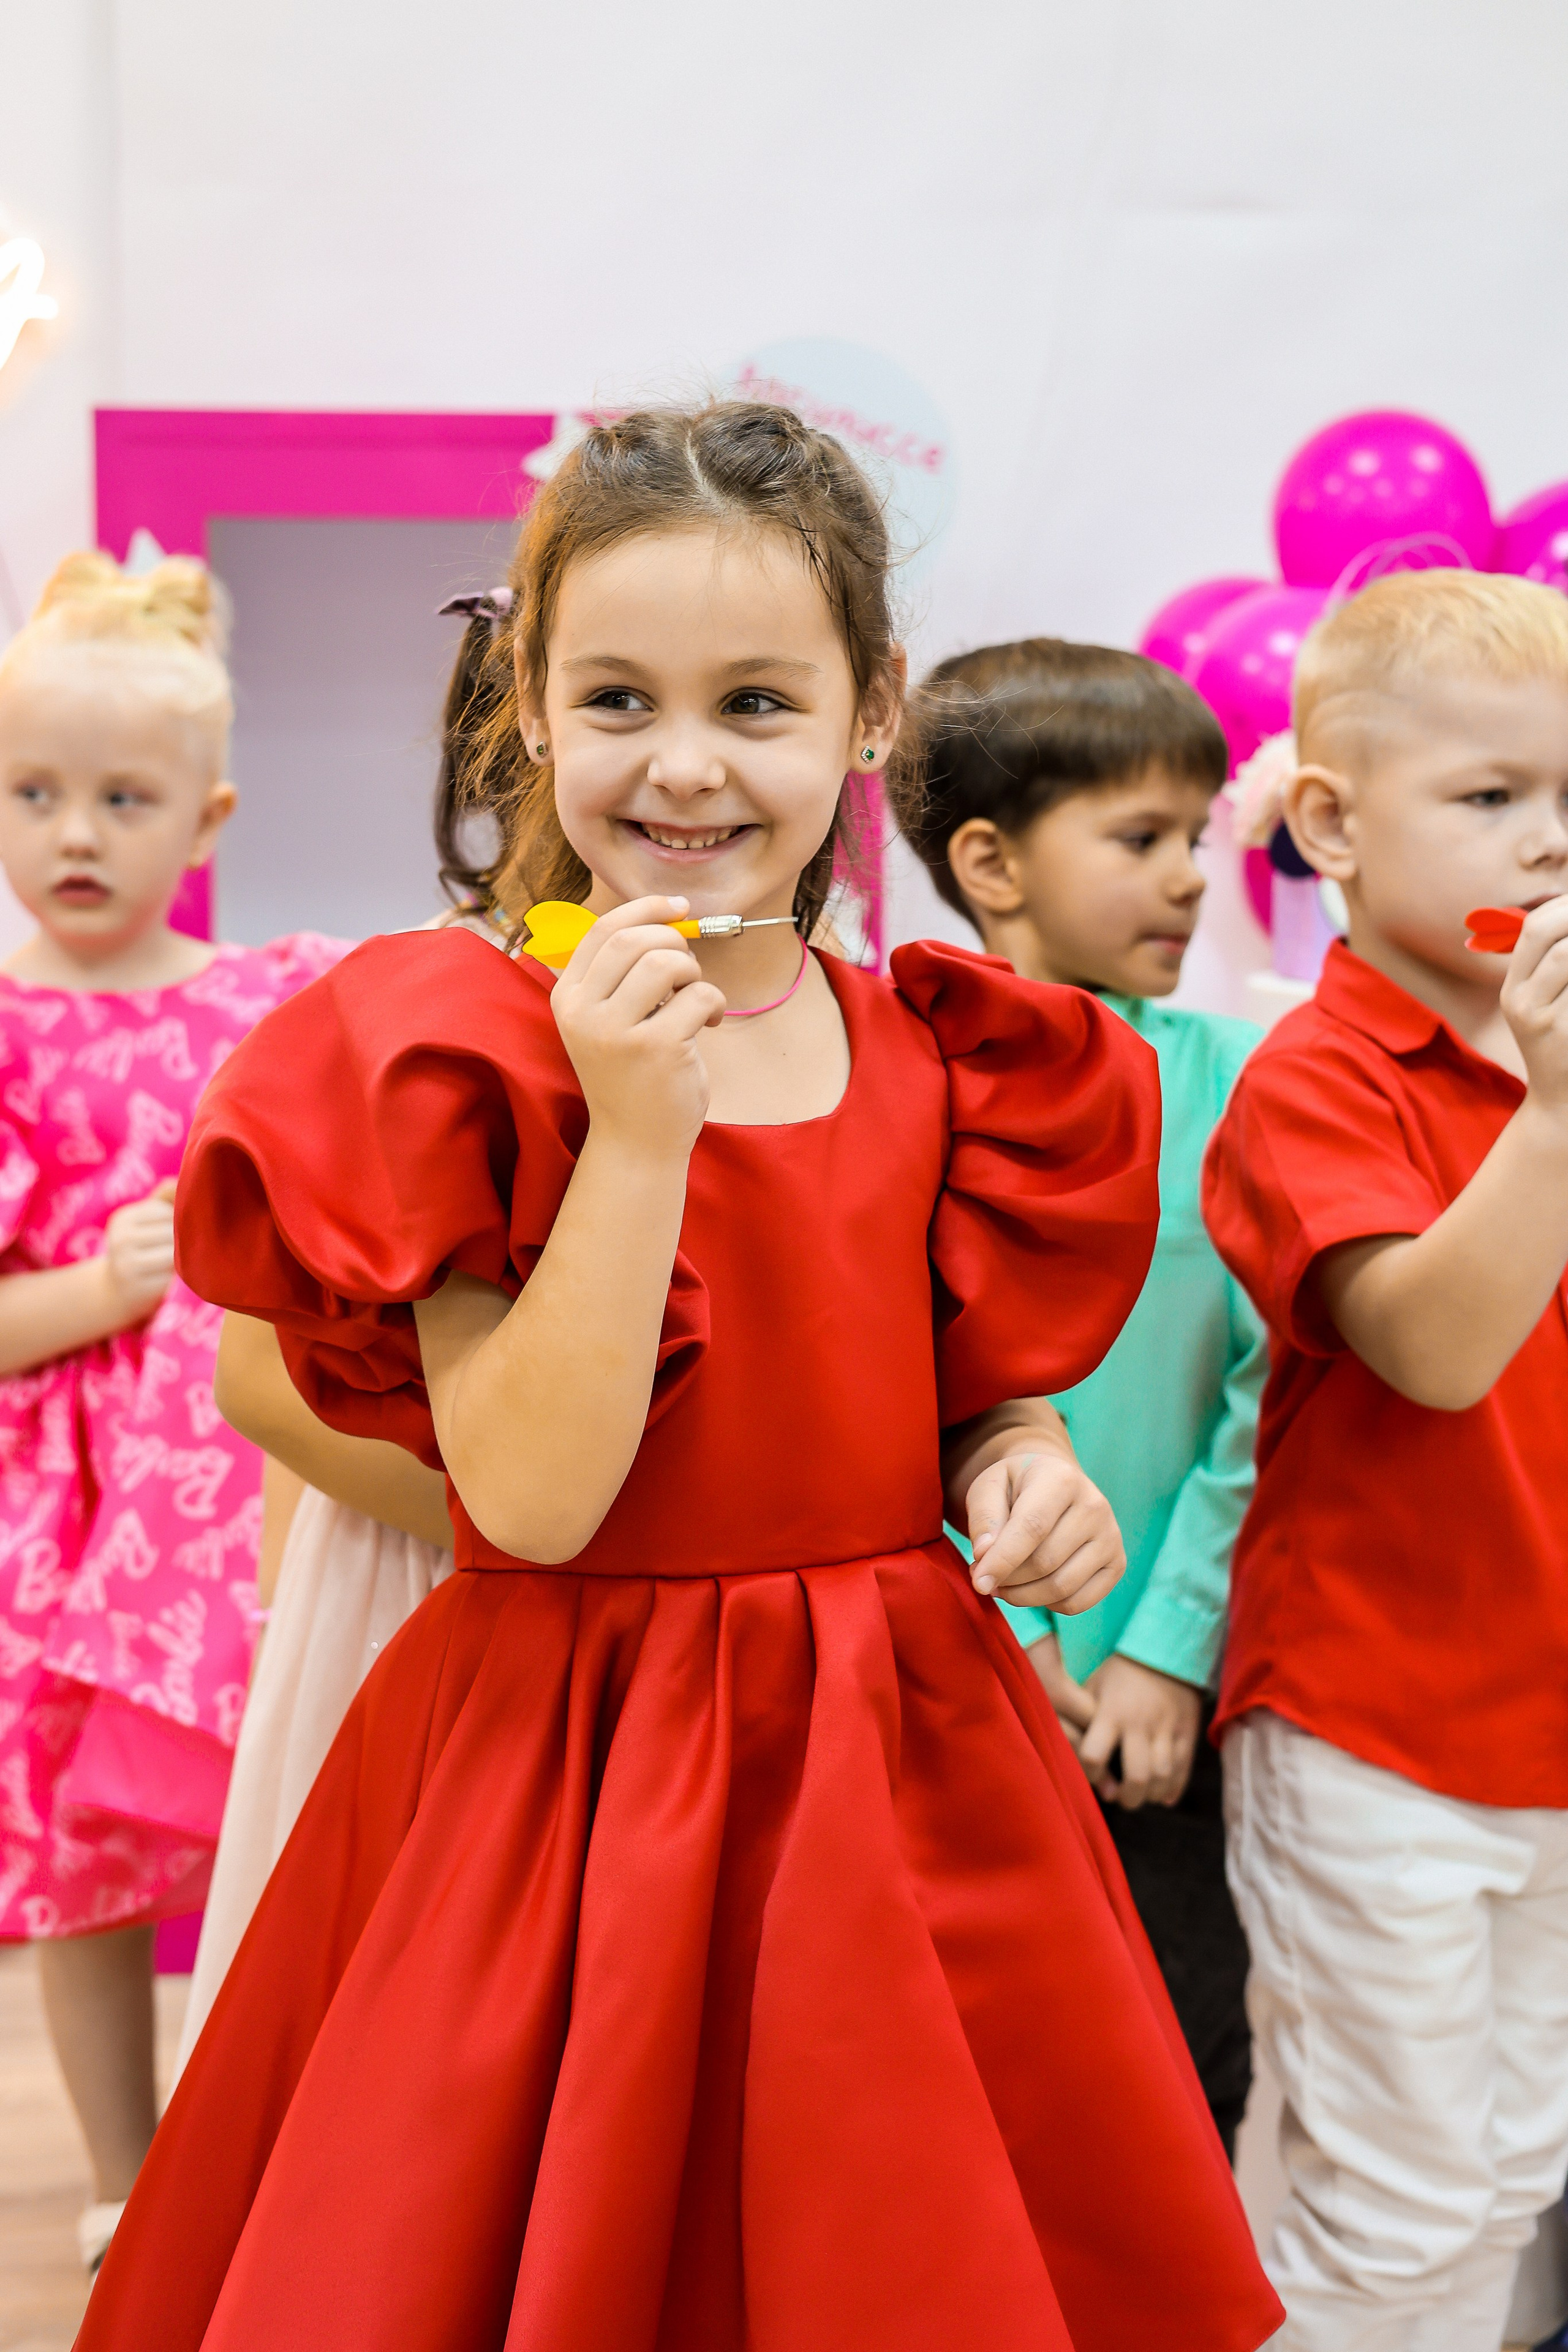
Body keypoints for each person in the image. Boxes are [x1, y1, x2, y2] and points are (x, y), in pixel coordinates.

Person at [82, 402, 1280, 2352]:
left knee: (882, 2248)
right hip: (577, 1760)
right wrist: (636, 1136)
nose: (690, 761)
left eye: (757, 698)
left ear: (867, 712)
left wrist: (1018, 1471)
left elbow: (964, 1388)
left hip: (895, 1763)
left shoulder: (943, 1052)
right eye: (620, 696)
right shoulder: (457, 1049)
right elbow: (534, 1497)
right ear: (534, 710)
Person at [1201, 567, 1568, 2351]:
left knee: (1504, 2184)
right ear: (1332, 825)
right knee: (1397, 2204)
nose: (1552, 844)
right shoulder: (1321, 1073)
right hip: (1375, 1731)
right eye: (1495, 799)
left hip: (1543, 1732)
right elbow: (1431, 1343)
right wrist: (1559, 1118)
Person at [0, 551, 344, 2269]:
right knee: (82, 1855)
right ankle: (124, 2172)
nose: (76, 833)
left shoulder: (259, 1002)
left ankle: (253, 2140)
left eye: (122, 799)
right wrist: (100, 1292)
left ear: (201, 817)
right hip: (50, 1512)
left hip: (221, 1488)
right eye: (34, 792)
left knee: (256, 1808)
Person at [903, 636, 1265, 2161]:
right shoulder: (898, 1076)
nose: (1189, 878)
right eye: (1139, 840)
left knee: (1174, 2099)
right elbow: (899, 1380)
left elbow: (1266, 1389)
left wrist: (1165, 1654)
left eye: (1195, 838)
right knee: (962, 2105)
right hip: (951, 1695)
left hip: (1158, 1724)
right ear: (988, 860)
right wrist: (1001, 1645)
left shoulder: (1243, 1082)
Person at [172, 589, 519, 2071]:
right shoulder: (401, 1013)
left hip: (663, 1607)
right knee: (407, 2029)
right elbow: (262, 1378)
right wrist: (500, 1520)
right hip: (429, 1577)